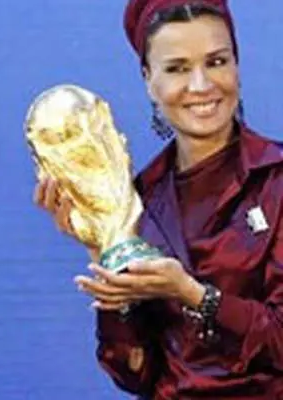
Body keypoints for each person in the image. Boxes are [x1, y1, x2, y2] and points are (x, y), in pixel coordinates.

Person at [35, 0, 283, 398]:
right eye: (177, 68)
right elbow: (134, 372)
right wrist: (104, 247)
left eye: (216, 62)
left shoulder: (276, 179)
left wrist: (193, 294)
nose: (201, 85)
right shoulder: (139, 200)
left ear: (237, 66)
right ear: (149, 79)